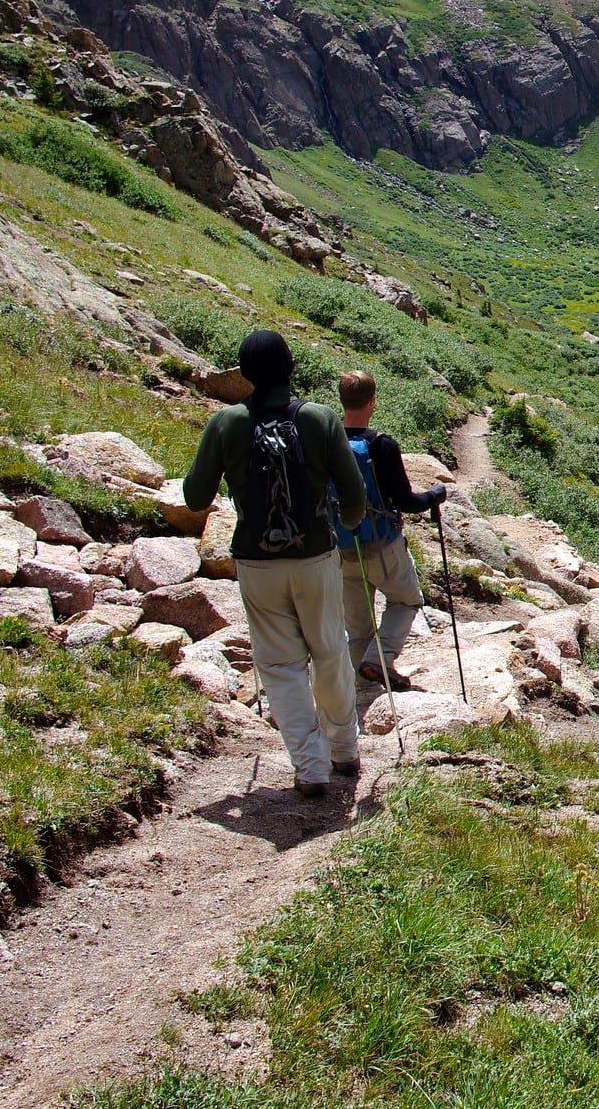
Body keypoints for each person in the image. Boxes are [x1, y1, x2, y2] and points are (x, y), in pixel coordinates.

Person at [184, 331, 368, 799]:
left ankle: (310, 767)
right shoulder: (320, 419)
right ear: (291, 368)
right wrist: (346, 525)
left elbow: (194, 497)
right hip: (315, 554)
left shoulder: (226, 423)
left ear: (244, 374)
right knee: (330, 649)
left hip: (257, 559)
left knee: (280, 664)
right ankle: (344, 749)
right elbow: (353, 498)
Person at [335, 370, 448, 692]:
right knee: (405, 601)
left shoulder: (330, 443)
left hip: (343, 545)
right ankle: (380, 660)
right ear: (372, 401)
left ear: (342, 400)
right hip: (383, 544)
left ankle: (363, 685)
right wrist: (435, 495)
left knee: (357, 626)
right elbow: (405, 501)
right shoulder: (381, 445)